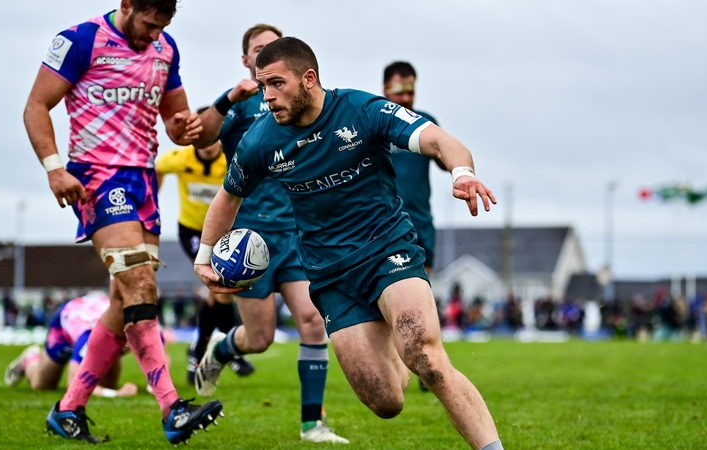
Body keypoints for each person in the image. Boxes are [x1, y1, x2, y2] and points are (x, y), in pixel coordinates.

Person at [194, 37, 503, 450]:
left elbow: (440, 141)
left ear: (309, 78)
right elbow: (228, 197)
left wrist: (461, 173)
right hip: (330, 275)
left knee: (425, 356)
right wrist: (204, 256)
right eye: (261, 85)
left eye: (275, 84)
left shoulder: (361, 110)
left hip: (387, 250)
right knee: (387, 401)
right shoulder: (261, 140)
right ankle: (391, 338)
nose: (266, 96)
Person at [22, 0, 222, 444]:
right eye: (149, 24)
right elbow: (36, 105)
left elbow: (175, 122)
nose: (155, 35)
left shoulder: (166, 47)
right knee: (139, 285)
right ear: (126, 4)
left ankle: (68, 409)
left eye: (163, 27)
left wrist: (187, 126)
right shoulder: (79, 40)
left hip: (143, 182)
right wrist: (55, 168)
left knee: (124, 300)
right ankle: (172, 407)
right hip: (97, 176)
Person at [190, 24, 348, 444]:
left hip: (297, 234)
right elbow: (201, 137)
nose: (266, 56)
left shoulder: (294, 105)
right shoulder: (240, 107)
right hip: (248, 240)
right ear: (246, 61)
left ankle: (313, 424)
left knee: (313, 322)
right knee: (258, 339)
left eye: (274, 50)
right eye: (259, 51)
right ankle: (222, 350)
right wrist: (228, 99)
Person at [154, 107, 255, 385]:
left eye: (215, 135)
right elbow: (158, 168)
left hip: (226, 232)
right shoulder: (180, 157)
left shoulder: (230, 159)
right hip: (192, 231)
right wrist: (152, 204)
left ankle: (199, 350)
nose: (209, 142)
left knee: (217, 295)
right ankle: (223, 352)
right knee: (221, 290)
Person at [383, 61, 445, 392]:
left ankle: (429, 363)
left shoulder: (425, 123)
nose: (406, 97)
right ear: (385, 90)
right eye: (399, 90)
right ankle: (402, 361)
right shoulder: (376, 123)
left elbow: (442, 151)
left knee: (424, 291)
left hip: (422, 222)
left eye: (411, 89)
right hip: (386, 225)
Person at [4, 292, 140, 398]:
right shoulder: (90, 335)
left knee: (108, 384)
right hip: (65, 326)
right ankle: (31, 357)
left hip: (94, 314)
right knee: (42, 384)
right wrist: (115, 394)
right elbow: (75, 383)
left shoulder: (142, 326)